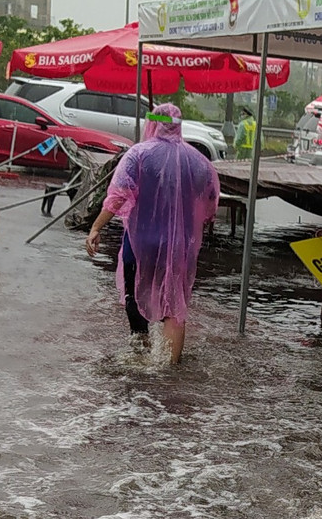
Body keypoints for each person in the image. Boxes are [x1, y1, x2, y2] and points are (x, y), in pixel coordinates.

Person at [84, 103, 220, 363]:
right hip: (178, 244)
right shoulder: (198, 161)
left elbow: (117, 196)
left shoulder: (139, 155)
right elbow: (211, 201)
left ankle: (141, 355)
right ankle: (168, 370)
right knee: (174, 304)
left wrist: (96, 227)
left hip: (140, 241)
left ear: (153, 123)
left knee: (134, 295)